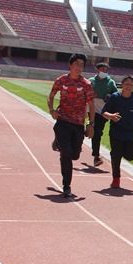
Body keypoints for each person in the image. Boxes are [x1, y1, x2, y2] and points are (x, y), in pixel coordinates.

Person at [47, 53, 96, 198]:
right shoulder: (61, 80)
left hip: (78, 123)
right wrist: (52, 110)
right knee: (66, 154)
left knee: (75, 155)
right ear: (70, 65)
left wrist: (91, 124)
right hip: (63, 121)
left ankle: (59, 142)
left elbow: (91, 105)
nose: (79, 67)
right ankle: (66, 186)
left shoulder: (86, 84)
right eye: (77, 64)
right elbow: (51, 96)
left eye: (82, 65)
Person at [101, 75, 133, 189]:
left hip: (131, 133)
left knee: (131, 156)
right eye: (126, 84)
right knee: (116, 156)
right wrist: (111, 116)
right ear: (122, 85)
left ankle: (120, 152)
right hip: (116, 132)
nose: (128, 86)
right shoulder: (114, 97)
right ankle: (116, 179)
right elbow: (104, 112)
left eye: (131, 85)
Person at [89, 62, 118, 167]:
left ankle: (87, 130)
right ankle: (96, 156)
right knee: (97, 132)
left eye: (106, 70)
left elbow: (116, 95)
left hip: (104, 111)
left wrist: (110, 96)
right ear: (97, 70)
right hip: (92, 109)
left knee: (97, 131)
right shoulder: (91, 81)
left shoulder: (110, 83)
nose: (104, 72)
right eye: (102, 70)